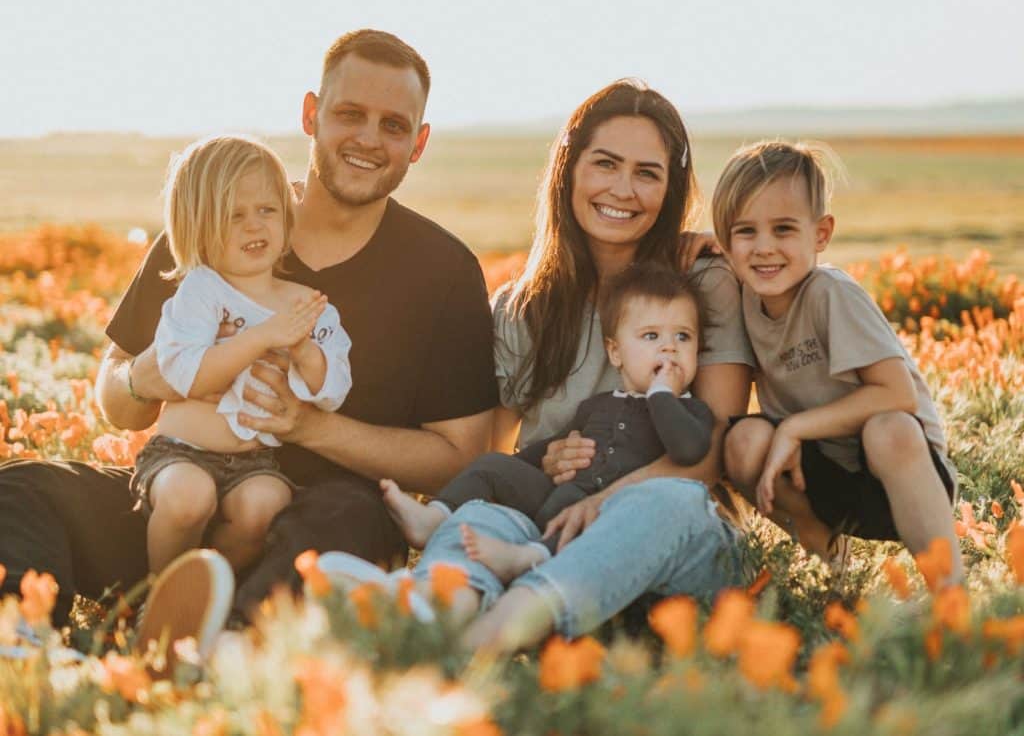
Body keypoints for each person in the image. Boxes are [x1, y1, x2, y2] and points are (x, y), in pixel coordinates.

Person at [0, 30, 497, 636]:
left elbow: (460, 459)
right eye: (350, 115)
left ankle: (220, 644)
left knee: (352, 518)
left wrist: (310, 426)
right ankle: (22, 647)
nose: (369, 138)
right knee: (23, 489)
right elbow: (116, 398)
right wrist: (143, 377)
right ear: (311, 115)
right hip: (177, 505)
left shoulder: (441, 271)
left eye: (393, 125)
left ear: (418, 144)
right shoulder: (216, 224)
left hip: (311, 528)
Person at [360, 79, 755, 652]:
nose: (623, 189)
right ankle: (428, 623)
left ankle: (492, 637)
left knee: (662, 503)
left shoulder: (701, 284)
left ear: (670, 190)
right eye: (605, 164)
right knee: (482, 514)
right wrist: (543, 458)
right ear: (569, 169)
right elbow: (487, 452)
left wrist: (602, 501)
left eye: (648, 172)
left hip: (673, 544)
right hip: (550, 528)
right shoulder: (524, 307)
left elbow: (710, 454)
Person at [711, 140, 961, 581]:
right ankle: (830, 560)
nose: (764, 247)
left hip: (899, 476)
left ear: (821, 234)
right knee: (742, 441)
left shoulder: (832, 294)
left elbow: (897, 394)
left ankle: (950, 593)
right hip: (821, 478)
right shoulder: (743, 297)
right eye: (746, 231)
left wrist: (795, 426)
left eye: (784, 229)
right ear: (726, 240)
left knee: (890, 429)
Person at [380, 263, 712, 582]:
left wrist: (661, 395)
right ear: (615, 353)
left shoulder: (692, 413)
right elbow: (548, 448)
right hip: (557, 495)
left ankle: (529, 557)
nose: (670, 347)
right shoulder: (598, 406)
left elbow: (688, 449)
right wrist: (520, 467)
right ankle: (434, 517)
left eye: (683, 337)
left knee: (576, 512)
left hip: (611, 515)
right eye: (651, 336)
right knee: (492, 466)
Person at [134, 135, 352, 575]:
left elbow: (332, 391)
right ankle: (158, 593)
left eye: (267, 211)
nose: (254, 226)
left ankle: (212, 593)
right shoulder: (200, 290)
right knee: (187, 498)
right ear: (197, 226)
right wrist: (262, 337)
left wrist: (304, 351)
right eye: (234, 216)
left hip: (255, 462)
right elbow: (186, 376)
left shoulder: (307, 304)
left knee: (265, 504)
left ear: (287, 217)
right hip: (180, 452)